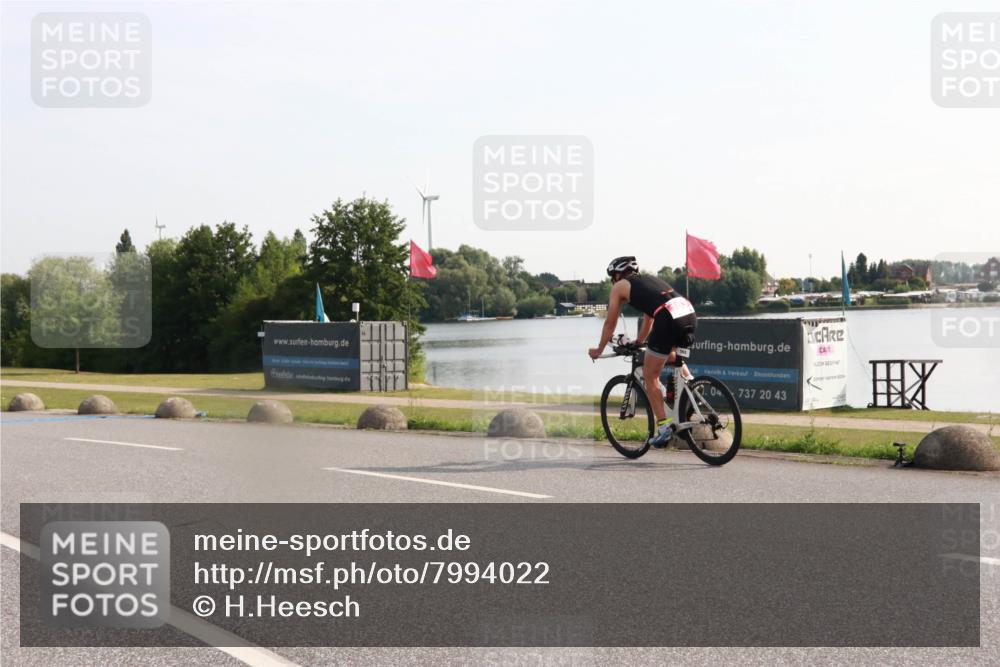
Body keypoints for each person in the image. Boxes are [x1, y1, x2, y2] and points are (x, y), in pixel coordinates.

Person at [588, 256, 697, 448]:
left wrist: (599, 348)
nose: (613, 280)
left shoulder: (620, 286)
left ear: (618, 274)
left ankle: (664, 428)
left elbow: (610, 322)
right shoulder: (650, 281)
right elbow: (649, 318)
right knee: (670, 356)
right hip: (688, 313)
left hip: (668, 317)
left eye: (613, 276)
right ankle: (692, 383)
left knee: (650, 375)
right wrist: (639, 341)